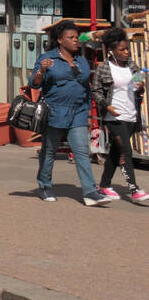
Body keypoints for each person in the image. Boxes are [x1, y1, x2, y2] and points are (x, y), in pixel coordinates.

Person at [32, 20, 111, 206]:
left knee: (82, 151)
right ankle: (45, 185)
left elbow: (86, 86)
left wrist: (89, 114)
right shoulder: (48, 59)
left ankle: (90, 192)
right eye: (71, 37)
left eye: (77, 37)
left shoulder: (81, 60)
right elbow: (34, 83)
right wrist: (42, 70)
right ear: (60, 40)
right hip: (54, 111)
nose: (76, 40)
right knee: (49, 151)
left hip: (78, 111)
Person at [91, 28, 149, 204]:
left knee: (116, 152)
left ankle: (104, 185)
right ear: (111, 51)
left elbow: (138, 88)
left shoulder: (132, 65)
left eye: (127, 49)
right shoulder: (103, 68)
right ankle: (134, 189)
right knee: (126, 150)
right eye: (122, 50)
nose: (126, 52)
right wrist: (107, 106)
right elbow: (96, 91)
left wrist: (140, 87)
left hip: (132, 114)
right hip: (114, 116)